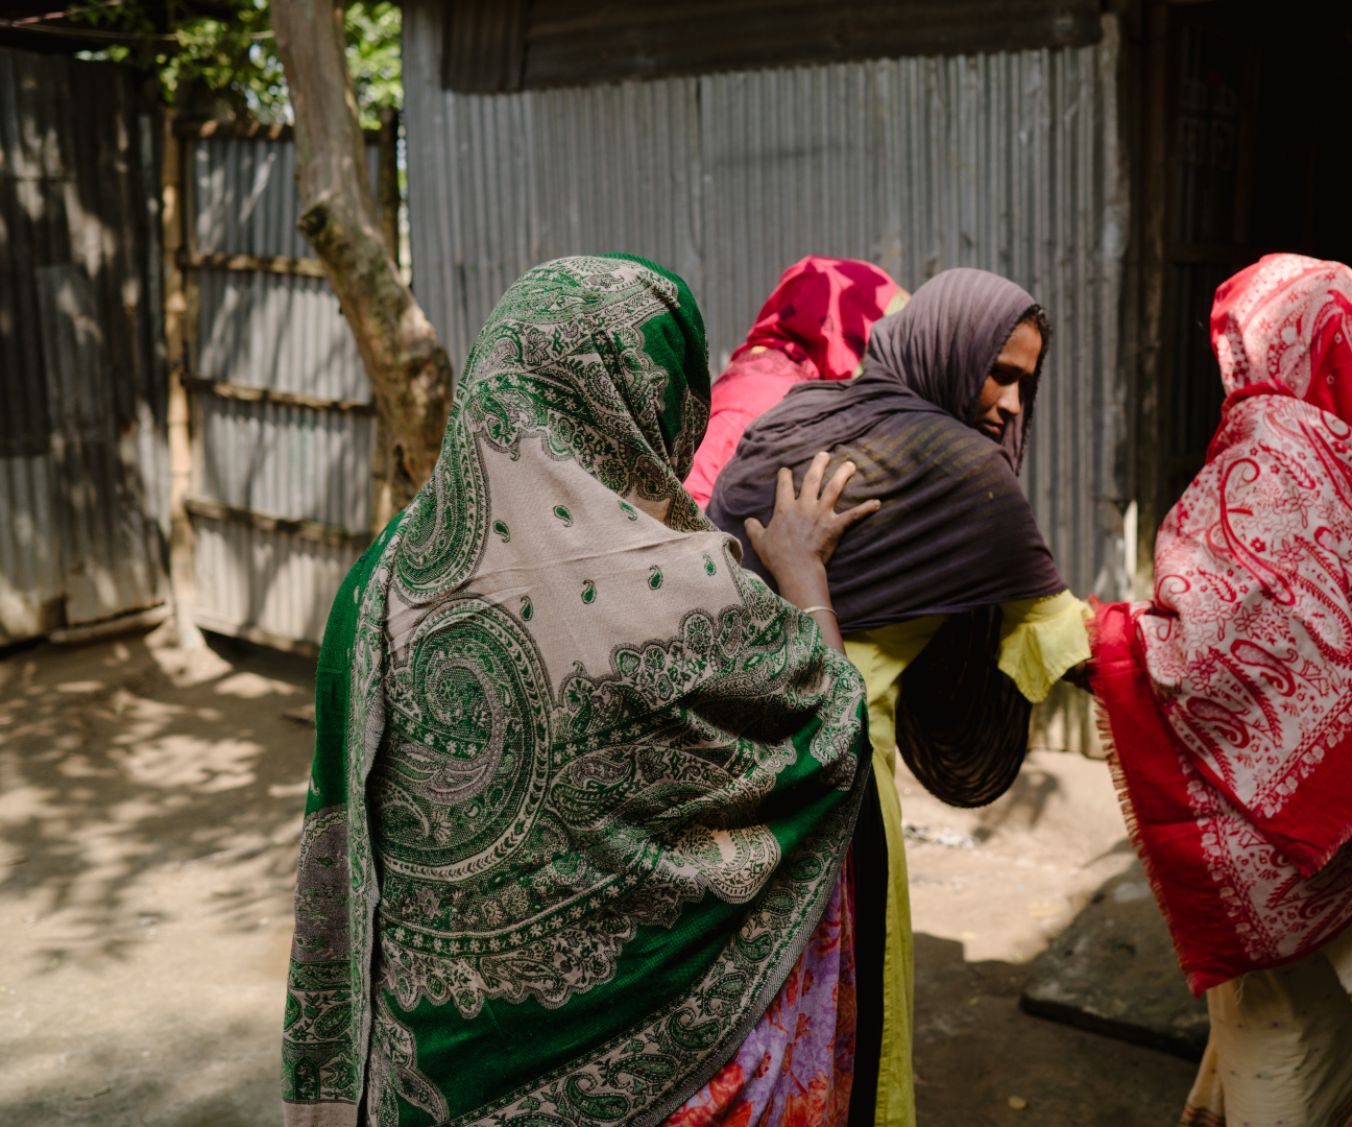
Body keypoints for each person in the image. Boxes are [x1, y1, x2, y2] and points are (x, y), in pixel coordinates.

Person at [280, 254, 884, 1127]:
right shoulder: (694, 593)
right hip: (666, 1084)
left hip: (432, 1079)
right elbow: (829, 727)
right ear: (660, 399)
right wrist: (802, 576)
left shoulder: (380, 580)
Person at [1089, 254, 1352, 1125]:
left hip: (1296, 838)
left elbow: (1206, 644)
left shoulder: (1270, 449)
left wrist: (1107, 634)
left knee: (1279, 1042)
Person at [706, 268, 1092, 1127]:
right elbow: (1064, 642)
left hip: (719, 774)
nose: (1010, 404)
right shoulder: (961, 471)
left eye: (1026, 382)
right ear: (947, 351)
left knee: (758, 1028)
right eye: (999, 371)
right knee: (855, 1020)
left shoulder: (793, 418)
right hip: (839, 788)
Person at [684, 256, 907, 506]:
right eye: (877, 333)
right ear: (845, 327)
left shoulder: (788, 376)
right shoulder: (761, 391)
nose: (885, 351)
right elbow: (690, 504)